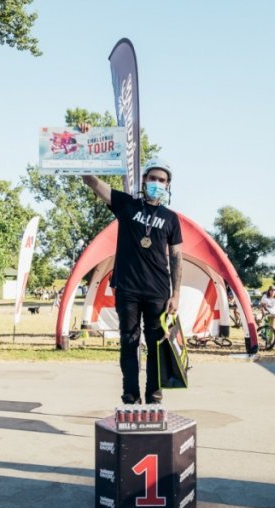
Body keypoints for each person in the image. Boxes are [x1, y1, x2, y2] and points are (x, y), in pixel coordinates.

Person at [80, 137, 182, 405]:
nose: (157, 183)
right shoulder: (126, 204)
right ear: (144, 180)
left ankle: (154, 395)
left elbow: (177, 257)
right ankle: (130, 394)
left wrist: (177, 294)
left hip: (159, 291)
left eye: (162, 180)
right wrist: (83, 142)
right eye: (153, 178)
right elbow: (90, 180)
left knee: (156, 344)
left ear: (168, 185)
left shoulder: (172, 219)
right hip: (127, 288)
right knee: (129, 342)